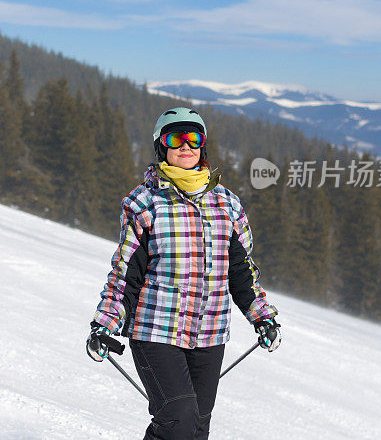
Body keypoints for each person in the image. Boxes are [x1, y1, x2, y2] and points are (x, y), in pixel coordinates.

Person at [86, 107, 281, 440]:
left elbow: (240, 270)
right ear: (162, 147)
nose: (186, 146)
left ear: (203, 146)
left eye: (194, 139)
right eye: (176, 139)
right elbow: (126, 272)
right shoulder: (145, 203)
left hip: (209, 333)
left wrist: (261, 317)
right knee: (177, 418)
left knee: (196, 427)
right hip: (156, 329)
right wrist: (104, 324)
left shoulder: (226, 204)